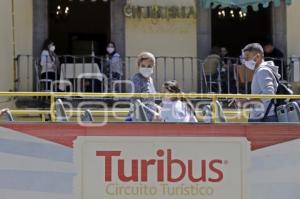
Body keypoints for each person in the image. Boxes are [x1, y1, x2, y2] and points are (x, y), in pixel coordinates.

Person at [241, 43, 280, 122]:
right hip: (263, 115)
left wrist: (247, 100)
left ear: (258, 57)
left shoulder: (262, 71)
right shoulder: (261, 70)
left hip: (264, 117)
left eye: (247, 57)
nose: (245, 61)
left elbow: (268, 93)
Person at [126, 52, 158, 121]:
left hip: (149, 119)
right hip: (138, 119)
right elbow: (135, 101)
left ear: (153, 67)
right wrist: (152, 112)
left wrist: (157, 108)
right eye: (143, 66)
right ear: (138, 66)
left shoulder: (150, 79)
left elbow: (151, 101)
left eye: (149, 66)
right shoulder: (136, 78)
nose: (146, 68)